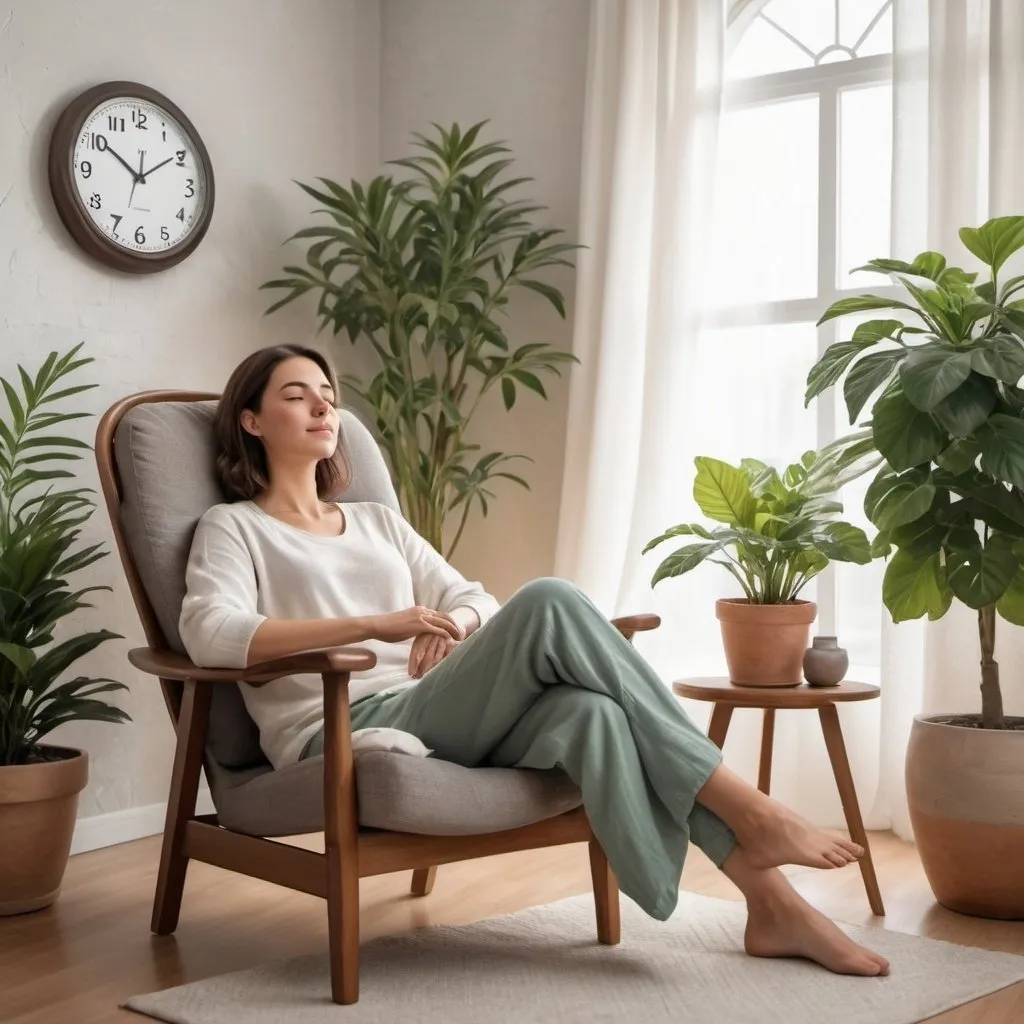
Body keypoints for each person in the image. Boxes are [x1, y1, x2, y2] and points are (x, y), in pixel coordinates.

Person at [179, 344, 890, 978]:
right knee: (551, 598)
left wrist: (450, 621)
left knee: (593, 712)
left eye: (328, 395)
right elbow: (212, 633)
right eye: (296, 395)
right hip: (341, 723)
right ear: (251, 421)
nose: (322, 406)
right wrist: (377, 623)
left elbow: (473, 597)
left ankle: (772, 906)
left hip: (427, 701)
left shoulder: (374, 521)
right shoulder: (234, 528)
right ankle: (750, 807)